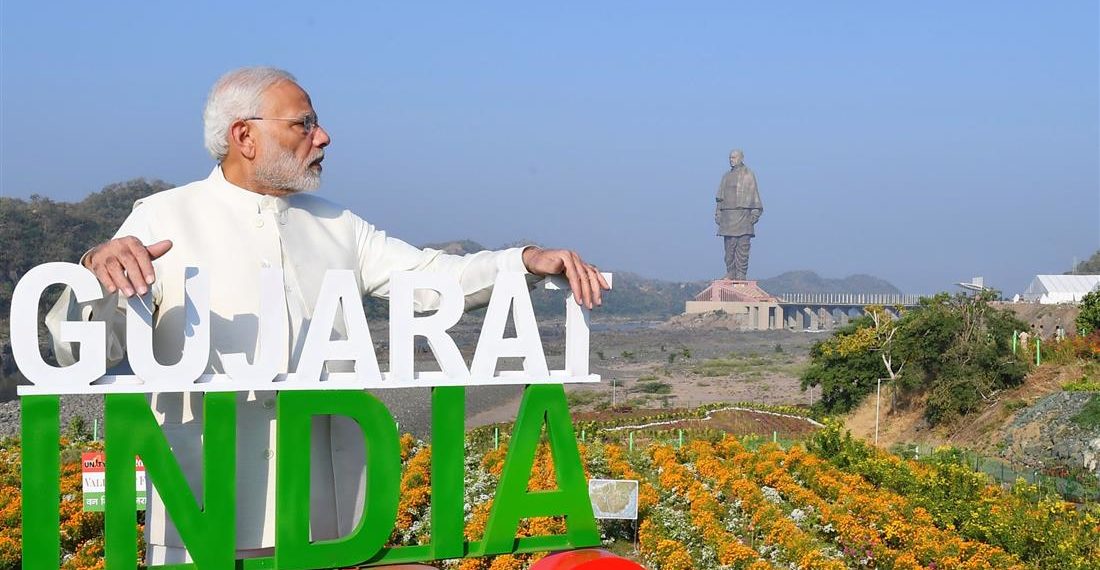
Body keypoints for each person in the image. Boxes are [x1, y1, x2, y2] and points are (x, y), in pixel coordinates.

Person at [46, 67, 608, 563]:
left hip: (334, 523)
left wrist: (525, 261)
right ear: (245, 135)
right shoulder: (163, 218)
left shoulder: (338, 223)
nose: (324, 136)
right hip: (203, 515)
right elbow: (75, 351)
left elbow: (433, 279)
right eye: (304, 123)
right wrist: (94, 275)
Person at [714, 149, 762, 280]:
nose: (731, 160)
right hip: (728, 217)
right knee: (729, 248)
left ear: (741, 158)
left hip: (743, 216)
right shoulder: (726, 176)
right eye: (730, 157)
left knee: (742, 248)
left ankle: (741, 273)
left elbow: (754, 197)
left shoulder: (748, 175)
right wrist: (718, 213)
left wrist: (755, 214)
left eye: (734, 157)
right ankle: (731, 272)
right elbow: (720, 199)